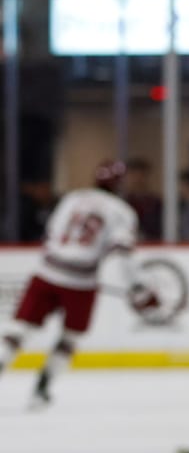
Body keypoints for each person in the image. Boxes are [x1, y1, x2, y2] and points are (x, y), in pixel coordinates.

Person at [0, 160, 157, 406]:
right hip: (81, 282)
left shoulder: (73, 198)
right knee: (70, 337)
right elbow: (123, 255)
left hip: (47, 271)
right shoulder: (122, 211)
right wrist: (138, 288)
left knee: (20, 330)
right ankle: (42, 388)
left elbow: (52, 232)